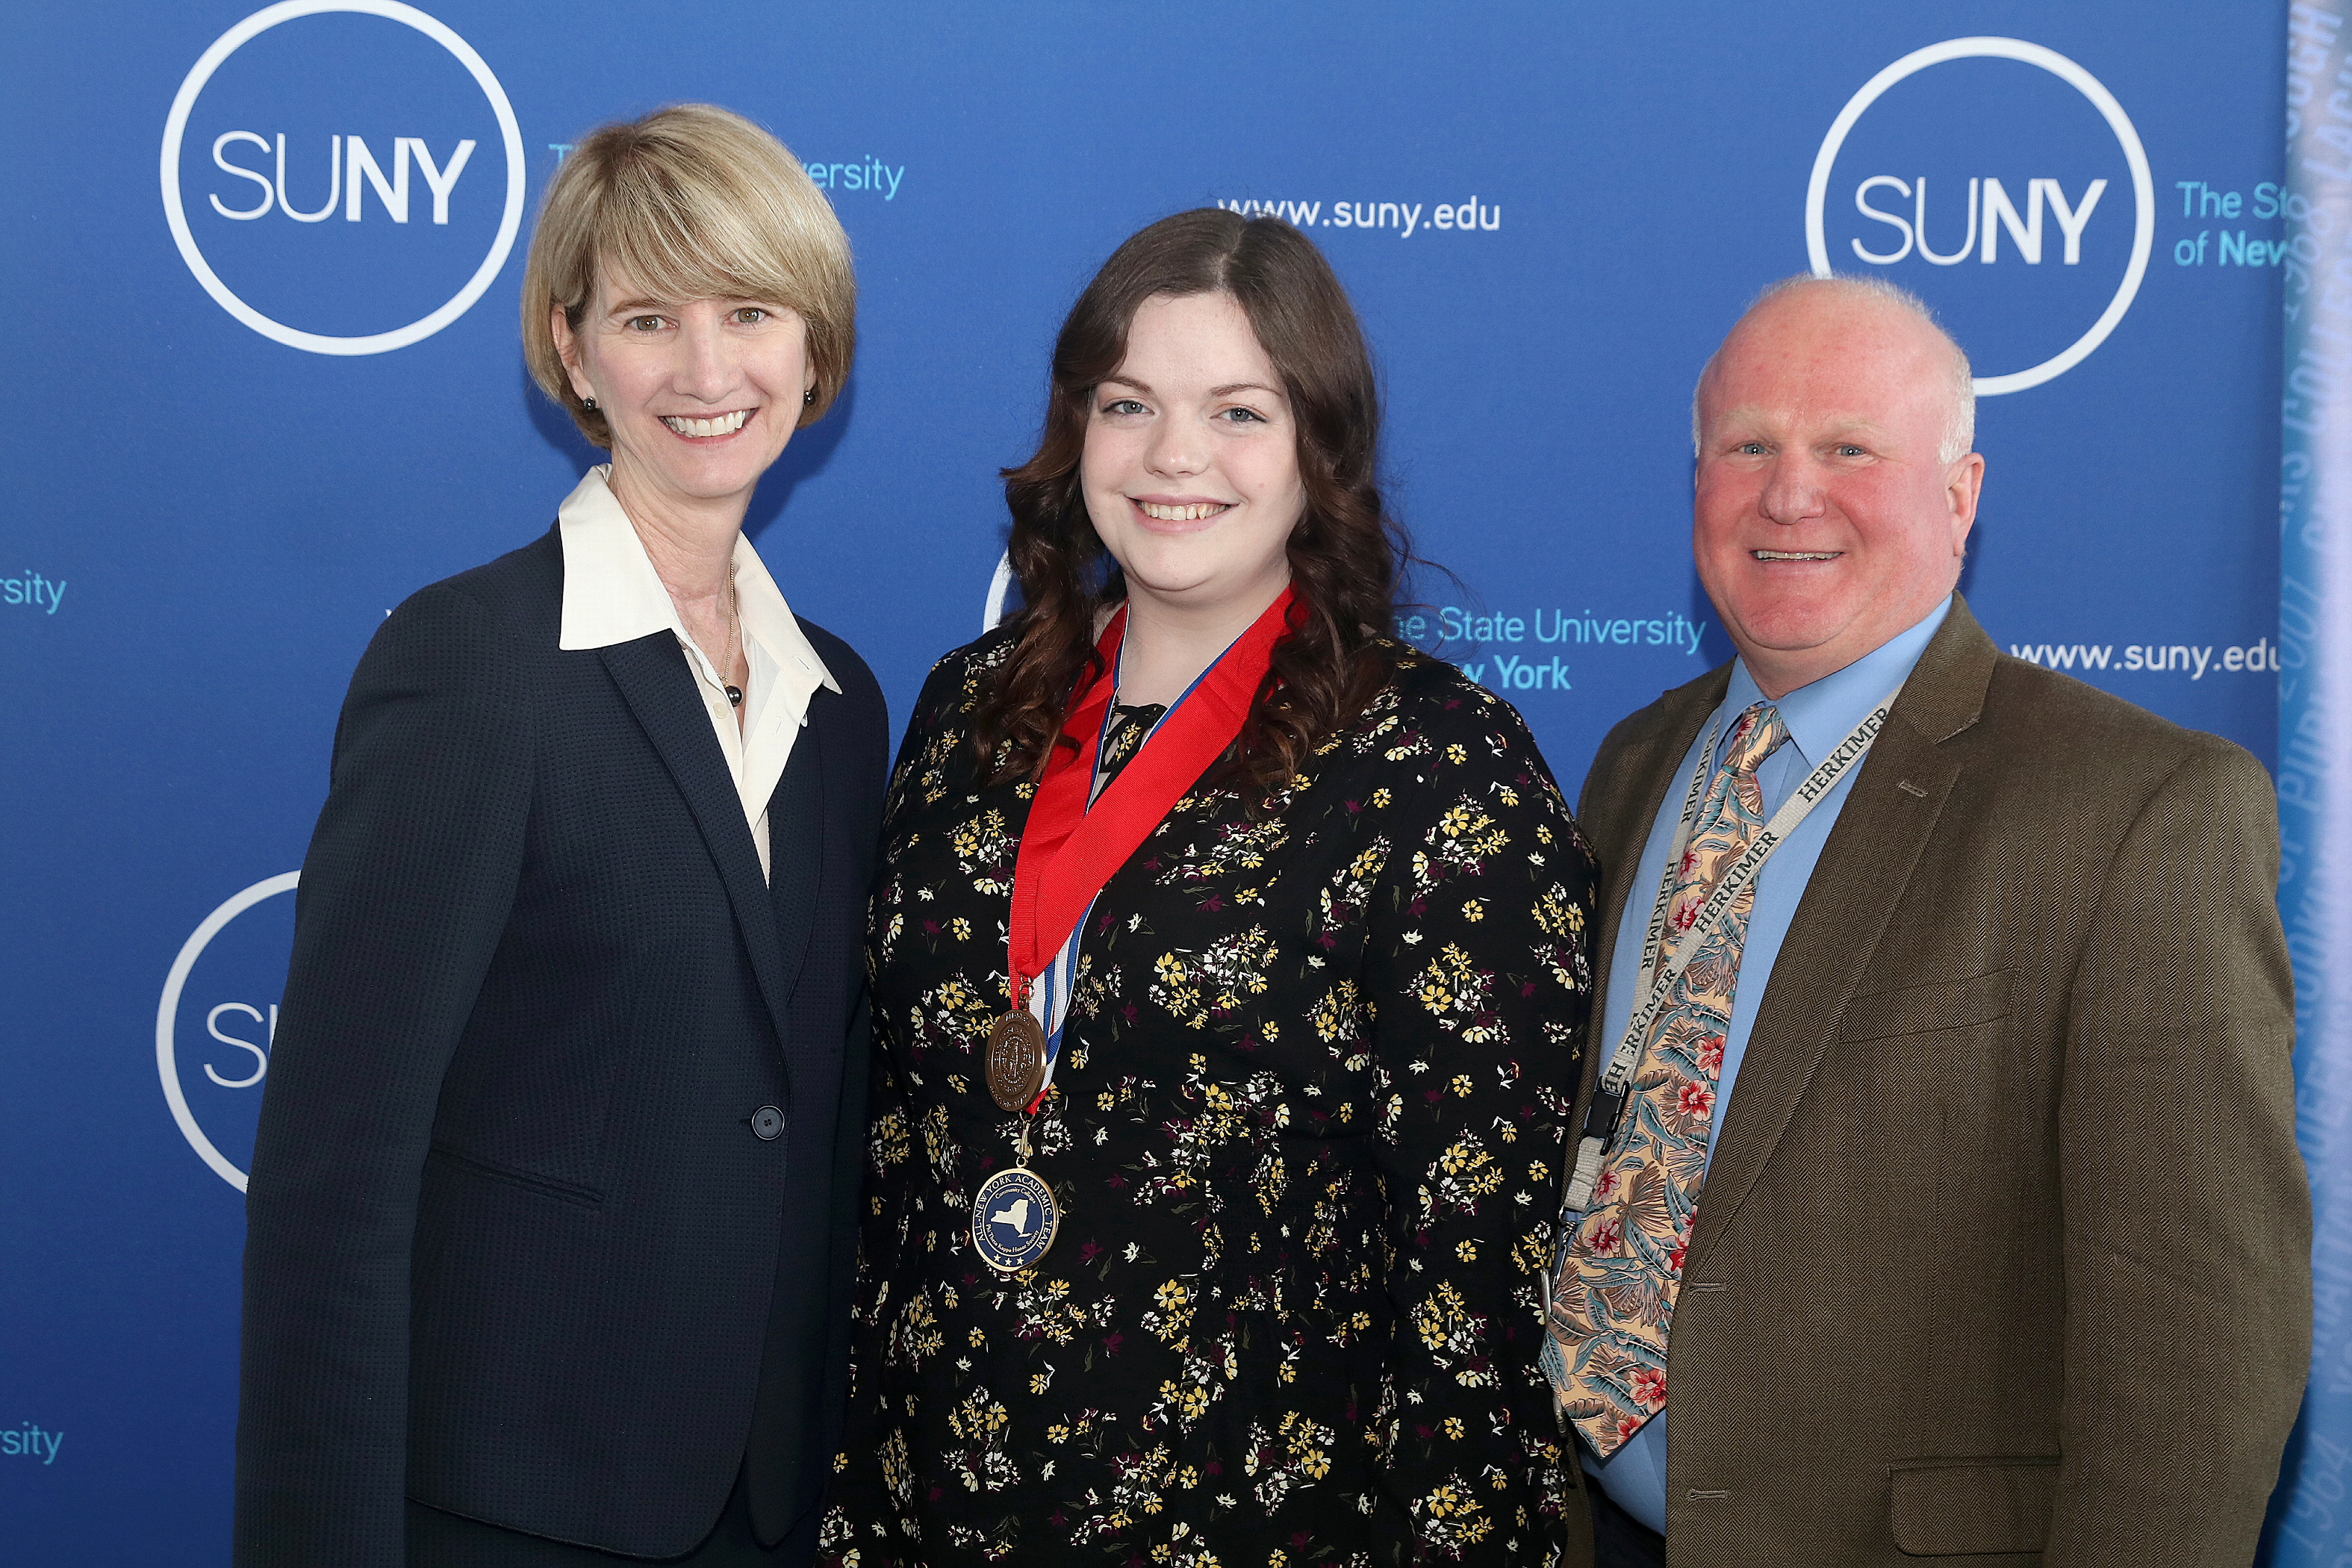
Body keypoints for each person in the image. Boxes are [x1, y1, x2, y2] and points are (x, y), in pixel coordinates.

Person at [819, 209, 1598, 1567]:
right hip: (930, 1498)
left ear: (1321, 446)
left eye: (1239, 411)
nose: (1174, 457)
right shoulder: (966, 710)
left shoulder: (1435, 764)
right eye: (1129, 404)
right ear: (1079, 433)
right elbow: (897, 1156)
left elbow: (1474, 1284)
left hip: (1265, 1514)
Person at [1542, 273, 2309, 1567]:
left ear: (1959, 497)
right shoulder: (1637, 761)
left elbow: (2201, 1336)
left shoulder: (2141, 810)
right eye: (1747, 447)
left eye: (1849, 448)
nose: (1791, 494)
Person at [234, 105, 886, 1568]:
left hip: (765, 1507)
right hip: (506, 1506)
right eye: (649, 317)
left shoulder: (839, 697)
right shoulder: (473, 663)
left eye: (751, 313)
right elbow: (339, 1168)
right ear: (574, 349)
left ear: (814, 351)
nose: (709, 371)